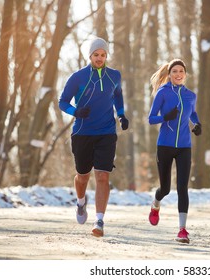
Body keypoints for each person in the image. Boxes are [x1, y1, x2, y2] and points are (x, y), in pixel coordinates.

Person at [59, 37, 129, 238]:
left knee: (103, 175)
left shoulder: (114, 75)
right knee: (82, 176)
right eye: (96, 55)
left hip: (106, 132)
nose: (100, 58)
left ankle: (99, 221)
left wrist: (122, 114)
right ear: (90, 56)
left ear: (107, 56)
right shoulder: (78, 77)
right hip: (82, 133)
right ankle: (81, 203)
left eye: (103, 55)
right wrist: (76, 112)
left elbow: (117, 95)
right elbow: (62, 102)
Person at [148, 59, 201, 244]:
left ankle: (182, 230)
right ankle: (156, 204)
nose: (178, 74)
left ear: (185, 74)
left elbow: (192, 113)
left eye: (181, 71)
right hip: (165, 145)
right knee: (165, 189)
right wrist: (165, 117)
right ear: (169, 74)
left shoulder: (190, 95)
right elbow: (151, 119)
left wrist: (197, 124)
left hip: (184, 146)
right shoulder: (162, 93)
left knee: (182, 188)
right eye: (175, 71)